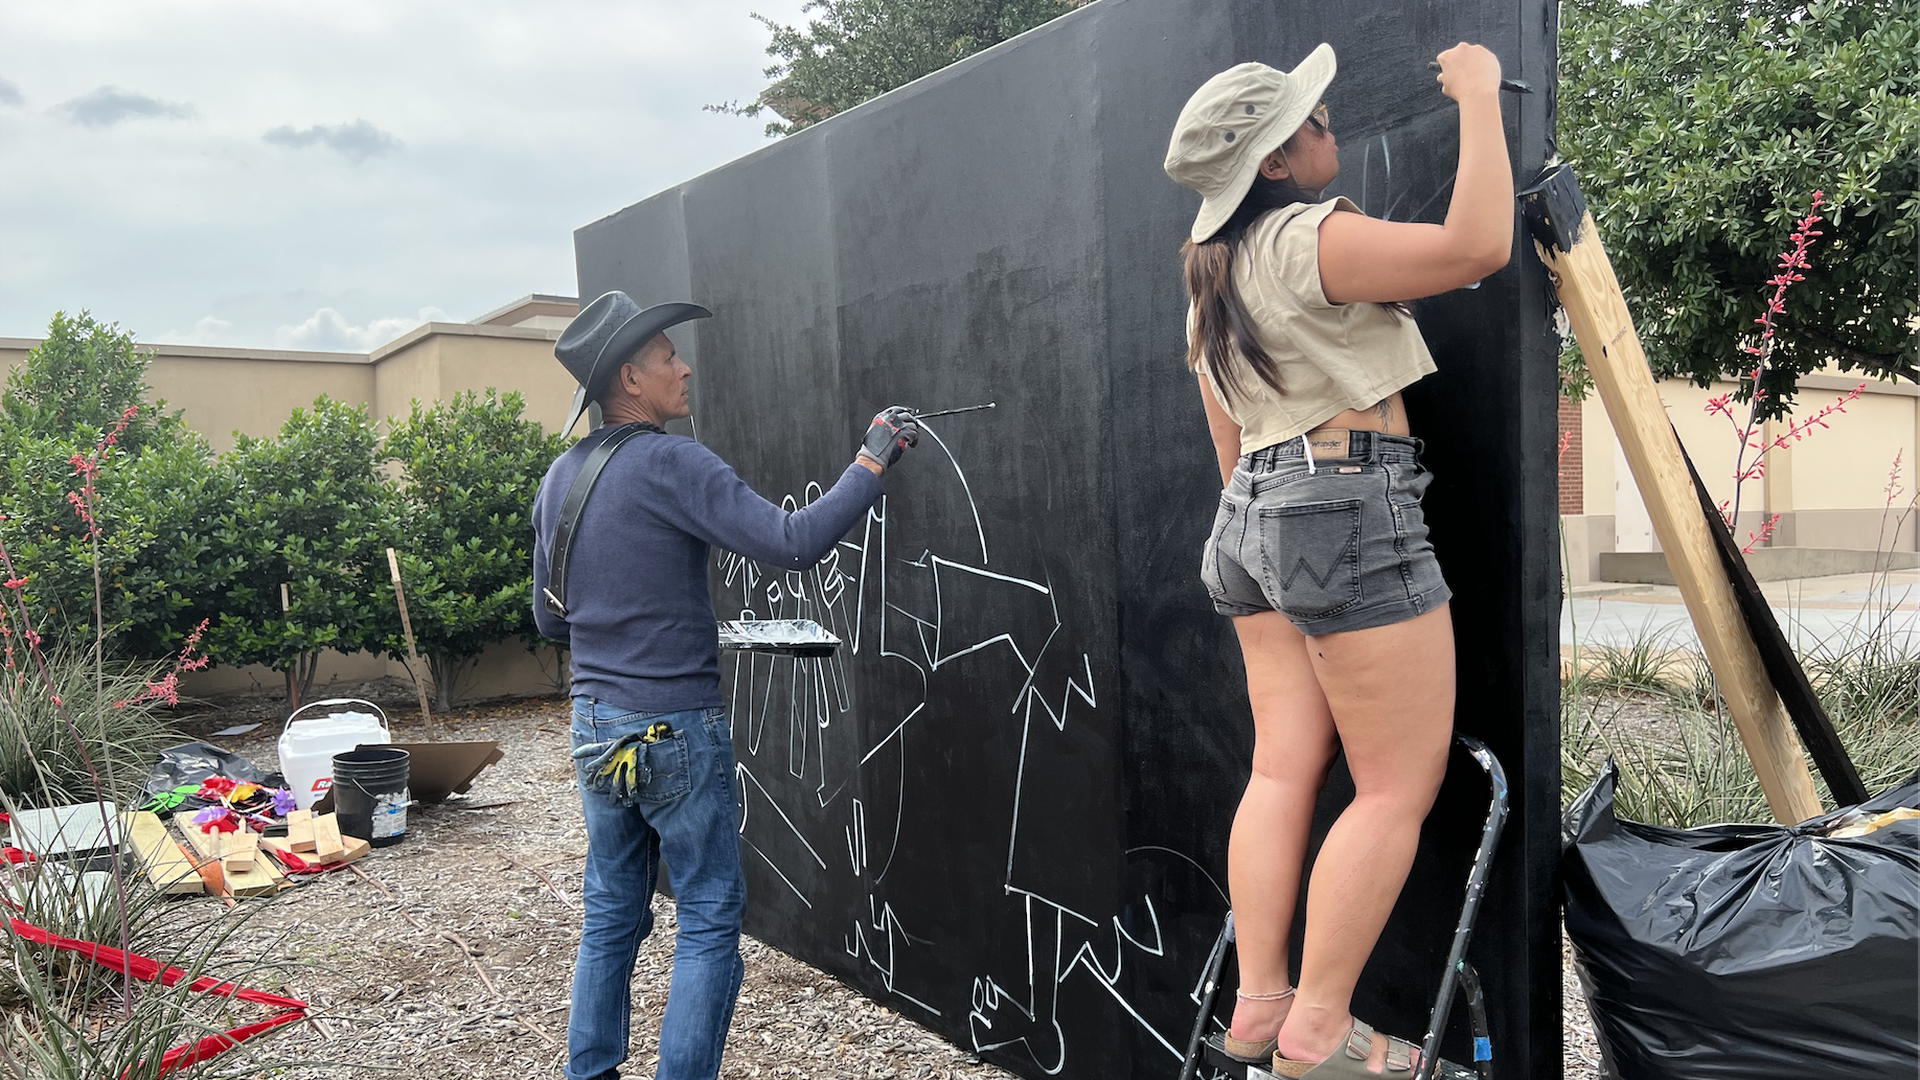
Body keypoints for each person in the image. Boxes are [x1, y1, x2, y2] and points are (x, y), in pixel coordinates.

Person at [1162, 42, 1512, 1079]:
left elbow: (1228, 450)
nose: (1329, 130)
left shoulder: (1210, 280)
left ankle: (1262, 1004)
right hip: (1342, 496)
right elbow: (1477, 245)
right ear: (1271, 164)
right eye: (1308, 124)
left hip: (1250, 519)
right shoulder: (1311, 238)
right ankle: (1322, 1032)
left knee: (1280, 765)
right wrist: (1481, 98)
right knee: (1396, 785)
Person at [531, 290, 922, 1080]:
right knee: (708, 916)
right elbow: (791, 541)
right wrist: (872, 460)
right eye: (668, 357)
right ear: (630, 381)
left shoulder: (561, 480)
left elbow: (549, 620)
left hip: (595, 726)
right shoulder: (673, 462)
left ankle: (590, 1072)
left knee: (611, 912)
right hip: (672, 727)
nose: (683, 367)